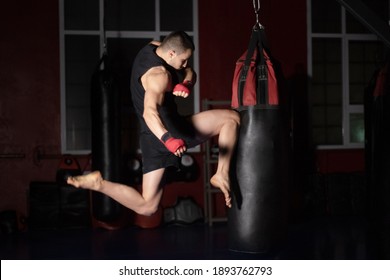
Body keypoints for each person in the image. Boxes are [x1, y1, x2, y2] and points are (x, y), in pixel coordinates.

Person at [67, 31, 240, 216]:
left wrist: (187, 82)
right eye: (183, 60)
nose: (185, 64)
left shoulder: (154, 47)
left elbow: (189, 71)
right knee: (232, 119)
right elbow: (149, 112)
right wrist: (168, 139)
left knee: (147, 206)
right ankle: (221, 173)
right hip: (170, 132)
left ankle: (99, 184)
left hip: (150, 138)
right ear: (171, 54)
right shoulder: (159, 76)